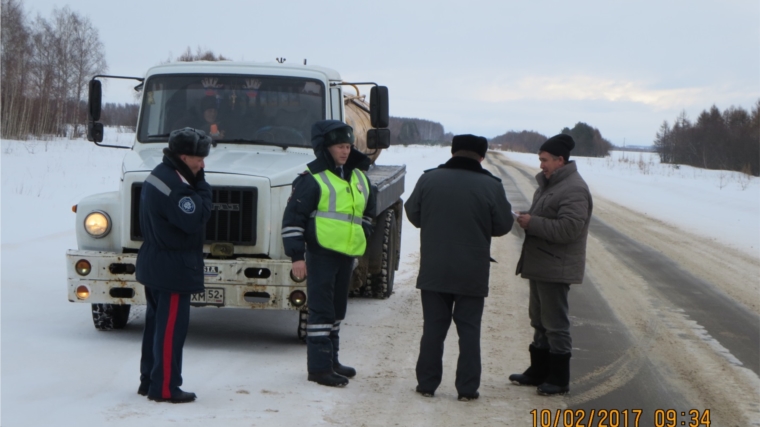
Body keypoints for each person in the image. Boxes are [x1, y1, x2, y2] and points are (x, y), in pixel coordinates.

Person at [404, 134, 514, 401]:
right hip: (472, 272)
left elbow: (413, 213)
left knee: (433, 329)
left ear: (452, 152)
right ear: (482, 156)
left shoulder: (428, 179)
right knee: (469, 332)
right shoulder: (491, 186)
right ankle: (467, 389)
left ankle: (427, 385)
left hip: (434, 269)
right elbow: (503, 225)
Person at [281, 120, 375, 387]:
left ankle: (332, 361)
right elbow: (293, 221)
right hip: (321, 254)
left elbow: (369, 208)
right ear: (326, 148)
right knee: (321, 312)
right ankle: (319, 368)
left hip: (345, 254)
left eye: (347, 146)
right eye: (339, 147)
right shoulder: (312, 180)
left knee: (337, 310)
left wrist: (363, 232)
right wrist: (297, 257)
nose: (345, 152)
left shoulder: (358, 177)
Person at [510, 133, 593, 396]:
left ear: (560, 160)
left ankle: (558, 378)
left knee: (555, 324)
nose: (541, 165)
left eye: (544, 160)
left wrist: (532, 223)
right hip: (541, 264)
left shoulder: (574, 189)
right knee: (539, 320)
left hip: (556, 267)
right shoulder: (550, 184)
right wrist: (528, 217)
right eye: (540, 160)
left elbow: (569, 229)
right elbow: (549, 217)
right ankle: (538, 371)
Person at [135, 127, 213, 403]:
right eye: (198, 159)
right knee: (170, 330)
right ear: (183, 156)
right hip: (173, 266)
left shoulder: (160, 173)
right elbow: (195, 218)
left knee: (156, 326)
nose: (202, 164)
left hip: (157, 261)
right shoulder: (177, 185)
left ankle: (150, 380)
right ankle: (165, 387)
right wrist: (203, 187)